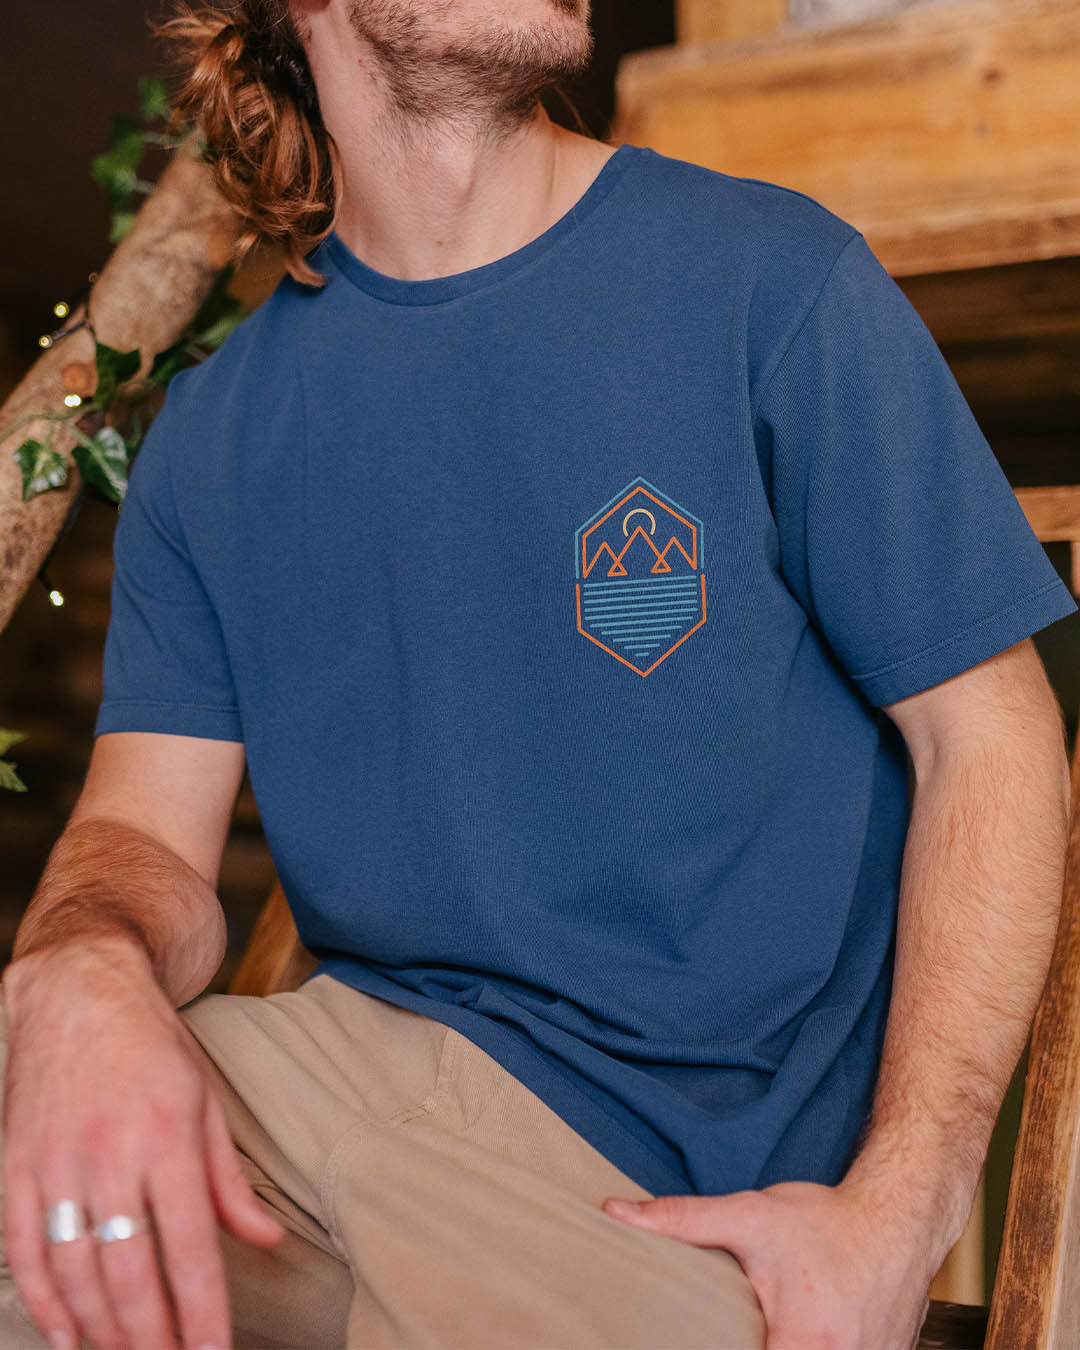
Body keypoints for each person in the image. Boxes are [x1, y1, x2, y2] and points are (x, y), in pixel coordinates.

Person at [1, 0, 1076, 1346]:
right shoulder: (212, 437)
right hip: (310, 1087)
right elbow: (140, 842)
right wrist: (81, 965)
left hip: (654, 1192)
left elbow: (992, 737)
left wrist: (903, 1211)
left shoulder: (770, 281)